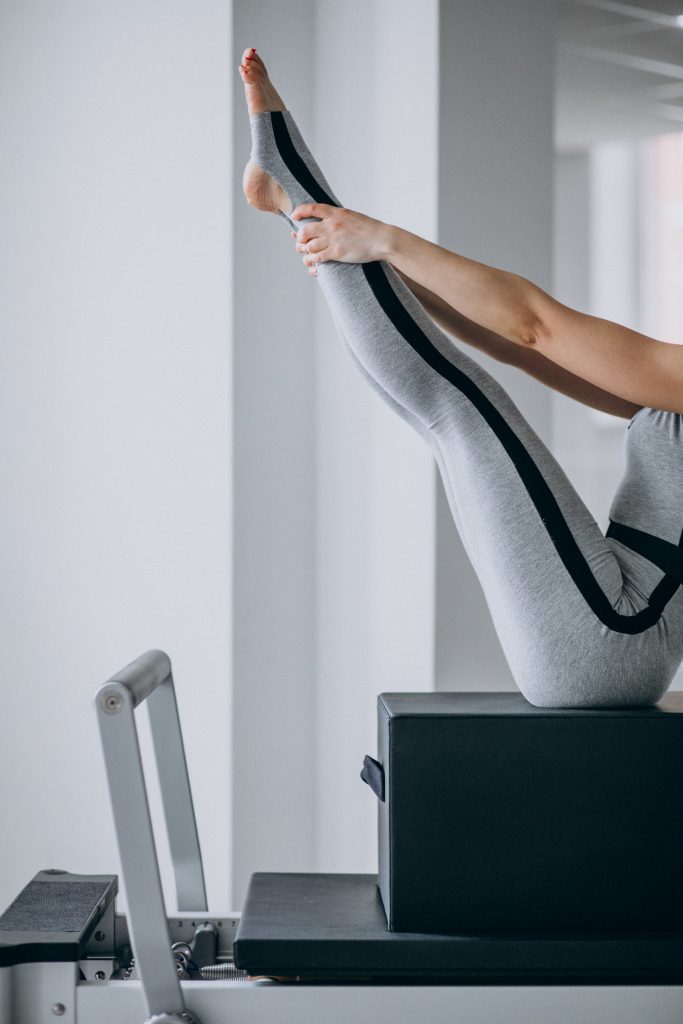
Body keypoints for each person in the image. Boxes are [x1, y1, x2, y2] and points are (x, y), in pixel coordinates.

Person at [238, 47, 683, 709]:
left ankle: (294, 190)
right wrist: (376, 263)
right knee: (451, 407)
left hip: (611, 635)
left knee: (455, 407)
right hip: (610, 627)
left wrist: (382, 243)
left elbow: (536, 325)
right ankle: (293, 198)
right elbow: (523, 349)